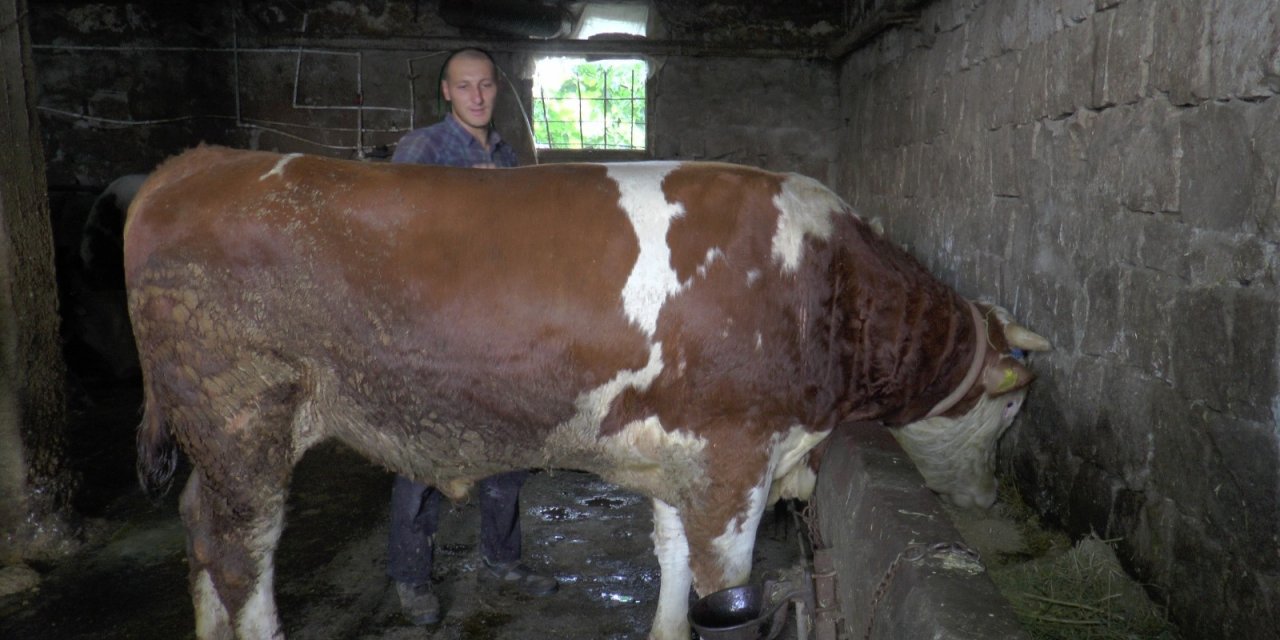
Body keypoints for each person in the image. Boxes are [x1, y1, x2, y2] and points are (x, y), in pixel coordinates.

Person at [387, 48, 558, 626]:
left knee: (507, 449)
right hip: (435, 328)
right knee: (424, 453)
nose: (478, 97)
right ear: (446, 92)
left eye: (486, 85)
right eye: (466, 87)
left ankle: (502, 559)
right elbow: (397, 231)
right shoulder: (423, 149)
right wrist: (463, 194)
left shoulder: (509, 153)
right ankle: (412, 581)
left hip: (499, 324)